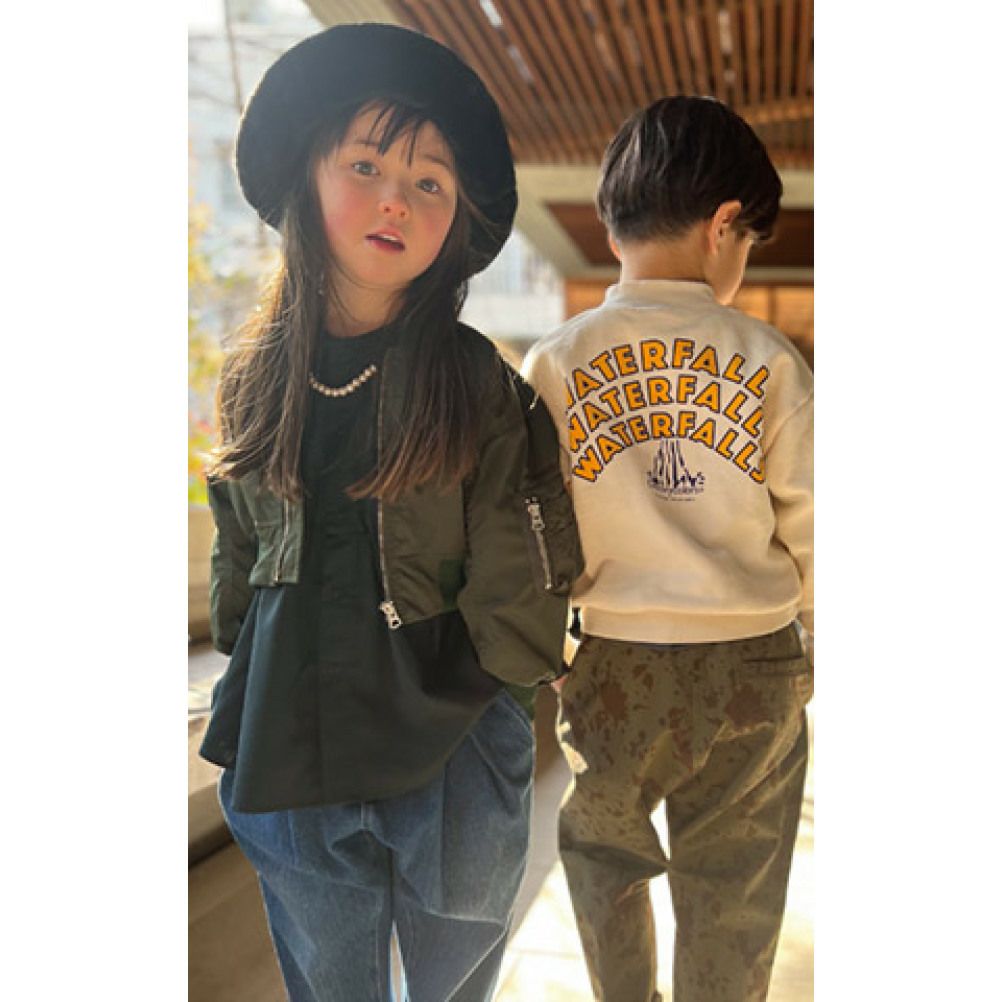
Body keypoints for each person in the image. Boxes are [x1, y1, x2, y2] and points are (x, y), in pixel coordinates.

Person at [198, 23, 582, 1002]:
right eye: (365, 164)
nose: (395, 199)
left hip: (451, 755)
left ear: (457, 220)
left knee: (452, 985)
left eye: (429, 181)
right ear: (308, 175)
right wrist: (244, 661)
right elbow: (239, 553)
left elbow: (524, 570)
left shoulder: (477, 383)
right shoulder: (252, 381)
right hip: (288, 753)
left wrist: (500, 707)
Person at [522, 95, 813, 1002]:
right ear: (724, 225)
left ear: (613, 225)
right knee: (736, 882)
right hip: (751, 659)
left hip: (612, 658)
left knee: (603, 859)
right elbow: (814, 520)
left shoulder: (556, 361)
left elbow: (533, 528)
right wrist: (811, 635)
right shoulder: (769, 358)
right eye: (748, 239)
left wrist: (555, 651)